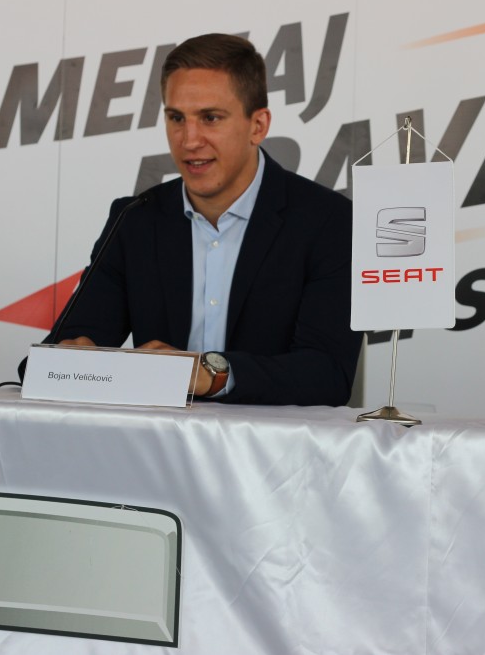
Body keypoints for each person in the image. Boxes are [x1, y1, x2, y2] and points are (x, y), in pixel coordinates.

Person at [36, 33, 362, 405]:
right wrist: (71, 358)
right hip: (155, 438)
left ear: (258, 125)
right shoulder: (134, 219)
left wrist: (211, 374)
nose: (189, 140)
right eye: (176, 118)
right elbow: (55, 355)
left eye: (210, 118)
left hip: (273, 440)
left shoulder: (328, 221)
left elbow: (328, 374)